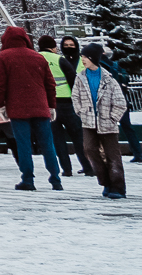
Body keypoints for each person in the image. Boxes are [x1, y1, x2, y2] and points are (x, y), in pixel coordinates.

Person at [0, 25, 63, 192]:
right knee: (47, 144)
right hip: (40, 107)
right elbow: (50, 84)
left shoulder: (3, 57)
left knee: (23, 144)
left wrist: (0, 105)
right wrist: (51, 105)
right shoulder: (38, 57)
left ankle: (28, 179)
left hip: (17, 108)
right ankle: (55, 179)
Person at [73, 44, 129, 200]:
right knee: (90, 150)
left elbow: (120, 102)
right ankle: (105, 181)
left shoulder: (108, 79)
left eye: (85, 56)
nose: (82, 59)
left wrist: (112, 118)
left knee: (113, 155)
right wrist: (81, 112)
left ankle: (118, 187)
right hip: (88, 122)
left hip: (107, 123)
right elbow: (75, 98)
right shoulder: (80, 77)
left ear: (93, 58)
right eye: (82, 56)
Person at [50, 34, 95, 176]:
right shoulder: (60, 60)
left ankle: (87, 165)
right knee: (67, 137)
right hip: (63, 102)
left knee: (79, 137)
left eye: (71, 45)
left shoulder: (81, 60)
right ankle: (68, 169)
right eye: (66, 45)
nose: (69, 48)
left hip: (76, 102)